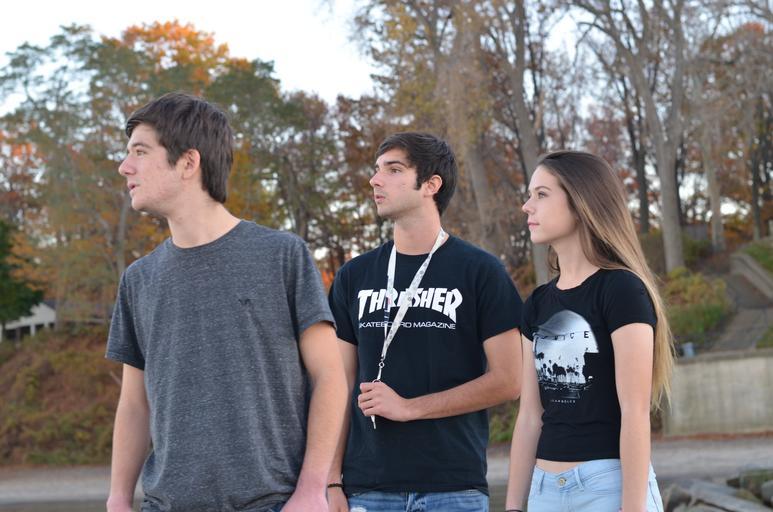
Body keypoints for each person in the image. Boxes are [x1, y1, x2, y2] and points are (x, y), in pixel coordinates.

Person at [105, 92, 347, 512]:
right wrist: (118, 499)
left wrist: (313, 489)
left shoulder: (282, 255)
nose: (125, 166)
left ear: (188, 163)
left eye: (140, 152)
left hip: (272, 503)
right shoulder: (139, 279)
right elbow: (134, 404)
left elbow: (330, 377)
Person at [327, 132, 523, 512]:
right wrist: (331, 479)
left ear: (431, 184)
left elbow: (509, 380)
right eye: (376, 170)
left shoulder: (480, 271)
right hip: (367, 488)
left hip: (453, 488)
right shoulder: (354, 276)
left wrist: (410, 407)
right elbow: (338, 384)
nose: (375, 180)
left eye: (393, 170)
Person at [505, 150, 673, 512]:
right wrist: (514, 506)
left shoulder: (621, 290)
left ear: (582, 203)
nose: (526, 206)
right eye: (529, 195)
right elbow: (530, 415)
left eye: (541, 194)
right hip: (544, 491)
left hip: (606, 486)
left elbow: (635, 412)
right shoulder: (536, 303)